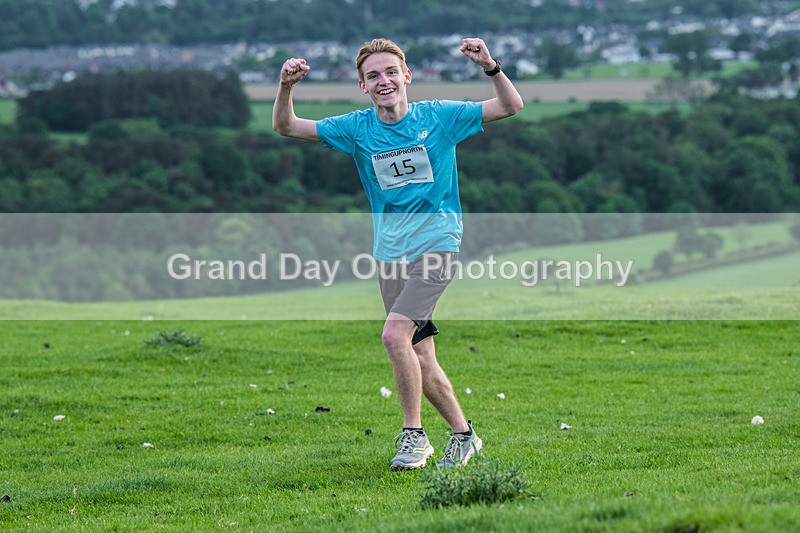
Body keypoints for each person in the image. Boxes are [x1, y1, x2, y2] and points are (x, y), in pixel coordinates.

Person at [273, 37, 523, 469]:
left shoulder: (440, 117)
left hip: (438, 244)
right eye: (373, 76)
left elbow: (510, 106)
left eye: (391, 71)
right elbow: (287, 126)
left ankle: (414, 436)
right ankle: (465, 437)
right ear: (363, 87)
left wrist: (490, 66)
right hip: (390, 255)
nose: (384, 80)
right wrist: (285, 86)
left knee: (393, 336)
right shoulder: (356, 129)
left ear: (406, 76)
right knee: (419, 354)